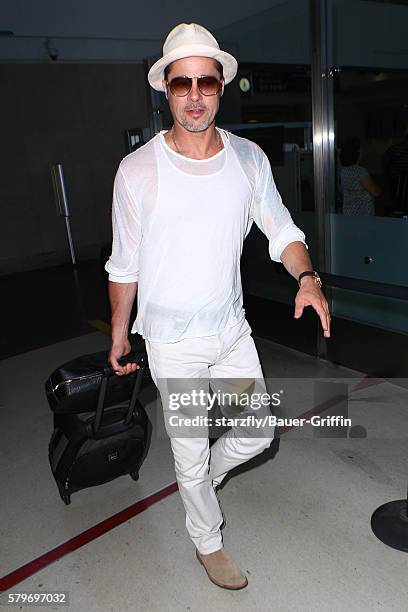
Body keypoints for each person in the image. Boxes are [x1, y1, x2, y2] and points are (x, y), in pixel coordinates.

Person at [105, 22, 331, 590]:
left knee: (258, 432)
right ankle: (208, 541)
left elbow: (281, 230)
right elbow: (123, 265)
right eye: (183, 83)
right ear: (166, 90)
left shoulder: (249, 159)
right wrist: (118, 329)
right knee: (187, 455)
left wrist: (307, 276)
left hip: (230, 330)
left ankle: (208, 476)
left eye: (206, 81)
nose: (195, 94)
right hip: (171, 341)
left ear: (222, 86)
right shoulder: (136, 172)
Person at [339, 137, 382, 216]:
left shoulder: (343, 171)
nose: (363, 151)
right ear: (357, 152)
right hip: (362, 215)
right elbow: (374, 191)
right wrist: (380, 188)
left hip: (348, 213)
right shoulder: (360, 171)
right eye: (361, 149)